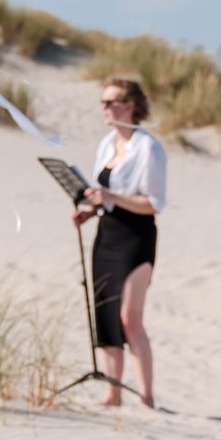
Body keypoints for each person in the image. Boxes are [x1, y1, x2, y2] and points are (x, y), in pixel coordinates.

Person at [73, 77, 168, 408]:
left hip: (136, 236)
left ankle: (146, 396)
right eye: (102, 102)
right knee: (106, 312)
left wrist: (111, 197)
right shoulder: (106, 144)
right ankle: (112, 392)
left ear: (129, 106)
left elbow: (154, 203)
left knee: (130, 317)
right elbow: (104, 194)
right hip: (107, 233)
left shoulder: (148, 148)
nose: (104, 108)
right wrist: (91, 210)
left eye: (110, 102)